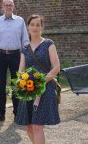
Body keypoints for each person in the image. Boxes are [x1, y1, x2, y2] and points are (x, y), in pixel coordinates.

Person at [15, 14, 60, 144]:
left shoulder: (48, 44)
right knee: (28, 125)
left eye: (38, 25)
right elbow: (20, 70)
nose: (35, 27)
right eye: (32, 24)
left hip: (45, 89)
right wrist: (21, 83)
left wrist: (39, 83)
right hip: (27, 90)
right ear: (28, 27)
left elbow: (56, 68)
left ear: (42, 27)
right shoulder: (25, 48)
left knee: (37, 125)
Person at [0, 0, 30, 124]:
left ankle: (17, 114)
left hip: (16, 55)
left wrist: (25, 59)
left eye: (10, 5)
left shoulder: (20, 21)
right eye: (6, 5)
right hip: (0, 55)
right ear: (2, 7)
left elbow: (25, 42)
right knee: (1, 85)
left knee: (16, 84)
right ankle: (1, 113)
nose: (9, 7)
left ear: (14, 6)